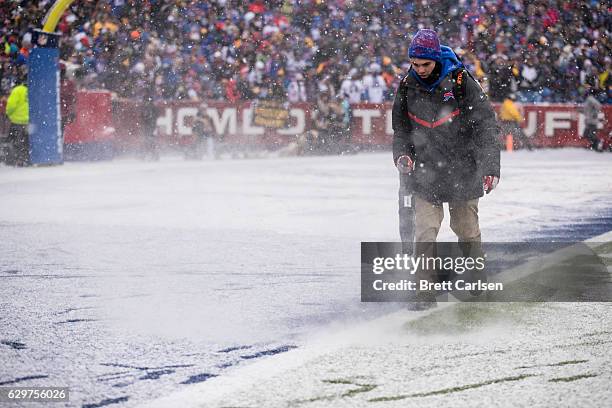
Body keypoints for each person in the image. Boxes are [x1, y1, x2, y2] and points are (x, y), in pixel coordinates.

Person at [392, 29, 500, 303]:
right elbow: (402, 130)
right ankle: (424, 292)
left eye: (425, 64)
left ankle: (478, 281)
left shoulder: (462, 81)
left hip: (463, 167)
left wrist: (490, 166)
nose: (420, 69)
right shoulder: (407, 84)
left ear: (436, 59)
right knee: (425, 231)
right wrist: (402, 155)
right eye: (415, 64)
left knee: (466, 229)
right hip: (425, 172)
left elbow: (486, 125)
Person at [5, 72, 29, 166]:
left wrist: (8, 114)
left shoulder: (18, 90)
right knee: (26, 141)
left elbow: (11, 105)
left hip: (17, 121)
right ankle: (26, 159)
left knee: (16, 141)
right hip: (29, 122)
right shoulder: (33, 90)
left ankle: (17, 160)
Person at [582, 88, 603, 152]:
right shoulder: (588, 99)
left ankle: (597, 145)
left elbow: (598, 105)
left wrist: (594, 113)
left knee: (591, 135)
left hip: (592, 121)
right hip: (589, 120)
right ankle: (594, 146)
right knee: (587, 134)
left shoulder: (590, 99)